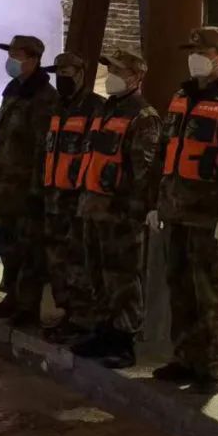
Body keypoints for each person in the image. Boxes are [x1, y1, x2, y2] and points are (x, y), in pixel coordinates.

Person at [150, 27, 218, 395]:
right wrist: (156, 202)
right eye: (192, 52)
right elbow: (164, 152)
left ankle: (210, 368)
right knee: (179, 288)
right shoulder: (181, 96)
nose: (194, 59)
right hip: (176, 211)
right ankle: (184, 357)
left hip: (209, 217)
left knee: (210, 294)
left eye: (202, 53)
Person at [70, 49, 161, 369]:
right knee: (96, 274)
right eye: (110, 71)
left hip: (120, 214)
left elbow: (143, 173)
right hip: (93, 207)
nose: (111, 77)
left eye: (119, 72)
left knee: (122, 279)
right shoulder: (106, 109)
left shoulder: (143, 116)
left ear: (136, 77)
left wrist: (134, 213)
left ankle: (123, 342)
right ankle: (102, 332)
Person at [0, 35, 57, 324]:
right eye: (10, 53)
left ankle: (27, 306)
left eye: (17, 55)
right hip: (7, 185)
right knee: (7, 241)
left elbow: (42, 147)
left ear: (33, 59)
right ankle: (11, 295)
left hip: (27, 186)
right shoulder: (14, 90)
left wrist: (38, 189)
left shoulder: (44, 97)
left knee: (28, 248)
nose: (10, 60)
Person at [40, 52, 101, 342]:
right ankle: (66, 312)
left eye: (66, 73)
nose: (61, 78)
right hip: (53, 195)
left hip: (77, 198)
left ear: (80, 74)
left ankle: (82, 317)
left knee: (78, 260)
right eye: (58, 73)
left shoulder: (94, 108)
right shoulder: (55, 106)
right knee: (56, 260)